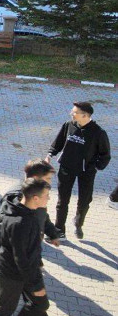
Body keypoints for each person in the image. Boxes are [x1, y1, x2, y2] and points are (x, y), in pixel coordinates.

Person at [0, 160, 61, 314]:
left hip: (20, 259)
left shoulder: (35, 197)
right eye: (48, 178)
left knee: (35, 304)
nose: (50, 183)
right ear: (36, 177)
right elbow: (4, 231)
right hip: (15, 265)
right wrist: (35, 283)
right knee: (9, 300)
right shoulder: (19, 200)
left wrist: (52, 233)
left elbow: (43, 216)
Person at [48, 101, 111, 238]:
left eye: (74, 112)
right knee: (62, 200)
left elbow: (105, 155)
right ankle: (59, 230)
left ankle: (78, 222)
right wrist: (50, 155)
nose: (72, 114)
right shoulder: (68, 125)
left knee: (84, 200)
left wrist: (96, 166)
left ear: (85, 115)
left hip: (86, 172)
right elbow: (58, 143)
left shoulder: (98, 133)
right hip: (66, 167)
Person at [0, 178, 52, 316]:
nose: (49, 199)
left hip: (21, 271)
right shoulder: (21, 223)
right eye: (47, 196)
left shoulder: (22, 211)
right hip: (13, 273)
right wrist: (36, 285)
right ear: (35, 198)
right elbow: (21, 258)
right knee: (5, 310)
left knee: (41, 305)